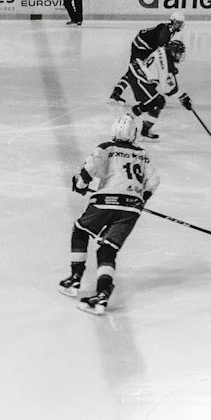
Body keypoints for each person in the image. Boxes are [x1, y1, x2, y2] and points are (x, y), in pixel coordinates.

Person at [61, 114, 159, 313]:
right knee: (107, 249)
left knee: (80, 231)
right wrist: (141, 199)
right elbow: (153, 182)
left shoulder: (107, 147)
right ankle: (102, 296)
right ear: (134, 134)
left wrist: (80, 184)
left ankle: (74, 279)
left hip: (106, 201)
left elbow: (90, 168)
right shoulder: (143, 154)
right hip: (132, 208)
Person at [111, 12, 189, 138]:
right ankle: (117, 94)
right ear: (172, 21)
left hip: (143, 46)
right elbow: (163, 56)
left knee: (137, 70)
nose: (179, 25)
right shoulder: (166, 32)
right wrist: (170, 69)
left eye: (181, 23)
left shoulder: (169, 30)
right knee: (137, 72)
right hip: (140, 46)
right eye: (178, 22)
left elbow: (163, 54)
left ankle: (118, 94)